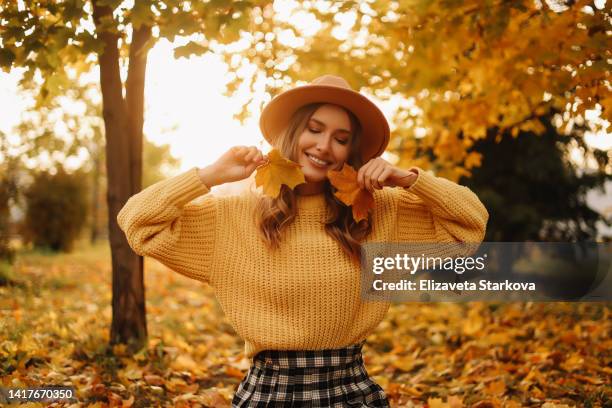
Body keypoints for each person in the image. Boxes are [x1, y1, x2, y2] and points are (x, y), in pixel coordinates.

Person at [117, 75, 489, 407]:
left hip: (351, 393)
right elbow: (138, 222)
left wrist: (409, 180)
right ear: (293, 132)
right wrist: (210, 175)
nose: (325, 146)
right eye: (314, 129)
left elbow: (469, 227)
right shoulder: (233, 216)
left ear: (351, 153)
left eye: (341, 139)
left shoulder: (376, 212)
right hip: (271, 394)